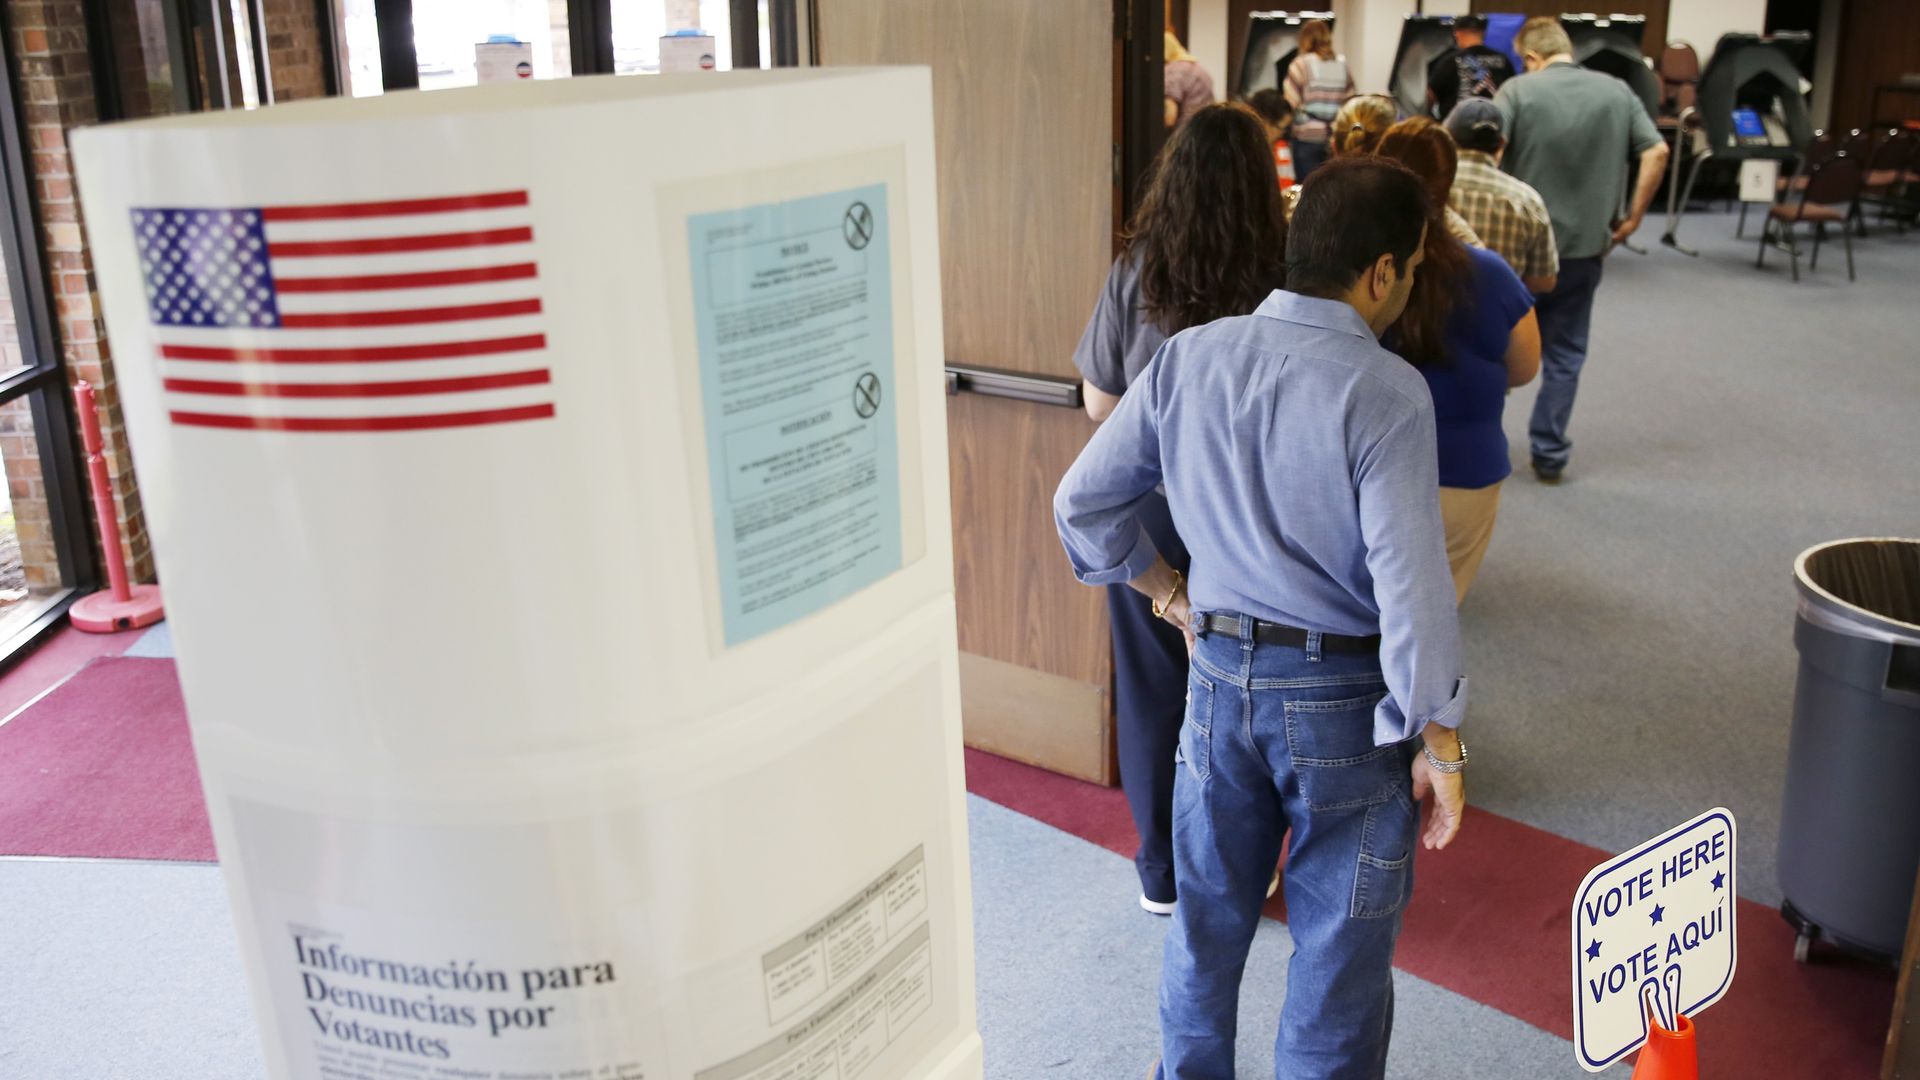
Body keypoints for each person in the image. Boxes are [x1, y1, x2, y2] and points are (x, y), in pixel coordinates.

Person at [1055, 157, 1469, 1080]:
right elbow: (1413, 589)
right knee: (1336, 956)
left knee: (1203, 930)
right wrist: (1440, 741)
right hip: (1343, 703)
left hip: (1216, 684)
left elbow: (1081, 504)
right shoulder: (1388, 392)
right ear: (1382, 273)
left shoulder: (1190, 356)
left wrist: (1166, 590)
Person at [1072, 102, 1289, 918]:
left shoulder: (1140, 270)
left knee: (1155, 692)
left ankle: (1161, 874)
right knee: (1254, 694)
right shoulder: (1288, 272)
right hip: (1259, 520)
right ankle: (1246, 867)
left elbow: (1099, 402)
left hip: (1159, 513)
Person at [1495, 16, 1668, 483]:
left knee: (1494, 345)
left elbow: (1489, 152)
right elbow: (1657, 152)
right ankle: (1549, 453)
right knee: (1566, 354)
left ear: (1531, 57)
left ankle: (1488, 440)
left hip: (1517, 256)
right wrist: (1632, 218)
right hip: (1584, 251)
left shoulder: (1515, 92)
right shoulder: (1616, 91)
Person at [1376, 117, 1542, 600]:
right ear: (1449, 183)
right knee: (1434, 620)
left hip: (1372, 472)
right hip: (1465, 476)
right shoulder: (1488, 272)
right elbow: (1526, 366)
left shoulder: (1360, 275)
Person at [1444, 99, 1559, 294]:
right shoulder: (1527, 200)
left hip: (1430, 316)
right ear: (1501, 144)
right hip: (1499, 316)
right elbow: (1544, 281)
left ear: (1447, 138)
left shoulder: (1428, 186)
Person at [1282, 19, 1354, 183]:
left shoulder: (1299, 64)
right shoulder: (1343, 65)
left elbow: (1290, 102)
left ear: (1305, 39)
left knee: (1307, 188)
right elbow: (1350, 101)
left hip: (1307, 137)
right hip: (1336, 137)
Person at [1426, 14, 1515, 120]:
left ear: (1457, 34)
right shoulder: (1503, 60)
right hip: (1494, 126)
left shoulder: (1450, 61)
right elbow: (1512, 94)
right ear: (1483, 33)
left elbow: (1430, 97)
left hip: (1457, 128)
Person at [1247, 88, 1297, 189]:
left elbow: (1286, 189)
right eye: (1280, 128)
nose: (1281, 134)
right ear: (1264, 121)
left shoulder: (1281, 150)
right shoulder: (1242, 152)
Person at [1165, 30, 1215, 130]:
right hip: (1204, 129)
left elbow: (1169, 117)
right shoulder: (1199, 69)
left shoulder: (1172, 71)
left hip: (1186, 132)